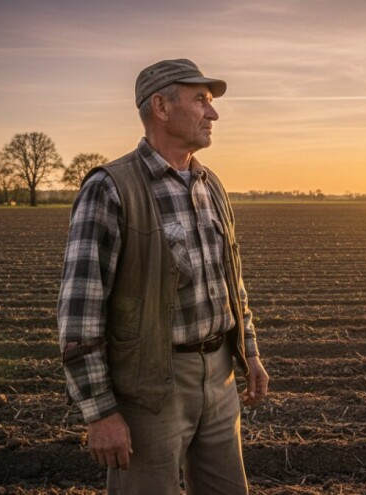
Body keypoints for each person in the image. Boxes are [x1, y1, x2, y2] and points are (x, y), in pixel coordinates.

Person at [57, 58, 269, 494]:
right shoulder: (110, 188)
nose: (213, 114)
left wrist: (250, 352)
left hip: (220, 375)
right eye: (201, 100)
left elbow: (234, 281)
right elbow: (80, 311)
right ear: (161, 106)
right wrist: (99, 413)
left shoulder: (211, 185)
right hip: (151, 386)